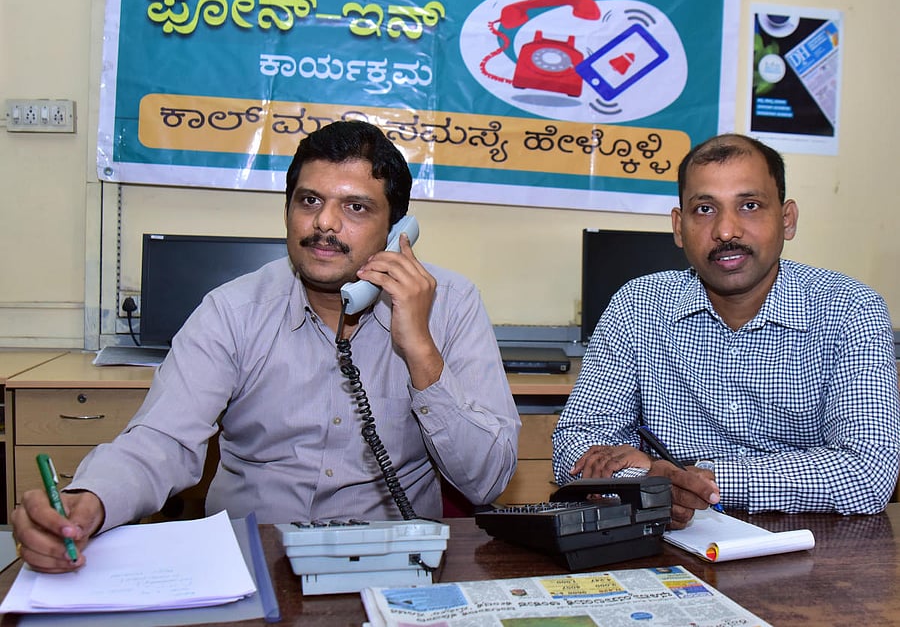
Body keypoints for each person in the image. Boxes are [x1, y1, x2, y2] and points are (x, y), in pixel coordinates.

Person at [13, 120, 521, 572]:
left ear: (396, 232)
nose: (324, 223)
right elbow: (162, 440)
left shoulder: (451, 306)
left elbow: (487, 481)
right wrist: (90, 500)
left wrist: (420, 350)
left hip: (395, 564)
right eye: (309, 201)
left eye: (356, 207)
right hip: (248, 562)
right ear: (287, 211)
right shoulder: (231, 311)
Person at [553, 133, 900, 530]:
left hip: (808, 548)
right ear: (679, 227)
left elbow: (867, 473)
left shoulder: (850, 309)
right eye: (704, 209)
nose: (726, 230)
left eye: (749, 206)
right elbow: (576, 444)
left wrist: (690, 480)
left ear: (787, 220)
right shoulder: (638, 306)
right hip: (668, 543)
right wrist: (646, 480)